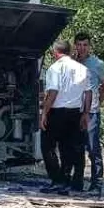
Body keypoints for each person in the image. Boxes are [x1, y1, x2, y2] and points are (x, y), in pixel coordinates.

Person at [39, 39, 91, 195]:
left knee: (47, 146)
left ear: (55, 52)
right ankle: (67, 179)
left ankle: (57, 180)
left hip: (57, 112)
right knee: (68, 147)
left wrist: (44, 113)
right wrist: (85, 113)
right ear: (69, 51)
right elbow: (88, 93)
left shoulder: (55, 69)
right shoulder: (82, 68)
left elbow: (53, 92)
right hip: (75, 112)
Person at [73, 32, 104, 193]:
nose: (82, 48)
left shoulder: (97, 64)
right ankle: (77, 182)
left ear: (90, 46)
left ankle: (96, 184)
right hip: (74, 110)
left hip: (91, 113)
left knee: (93, 148)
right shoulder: (72, 62)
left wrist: (99, 102)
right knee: (76, 147)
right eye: (79, 45)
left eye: (85, 45)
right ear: (75, 45)